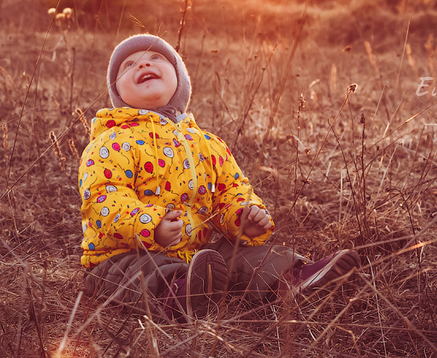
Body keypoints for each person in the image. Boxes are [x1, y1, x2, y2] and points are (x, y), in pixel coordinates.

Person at [78, 34, 360, 321]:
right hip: (121, 254)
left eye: (155, 58)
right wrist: (151, 225)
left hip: (196, 255)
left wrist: (242, 216)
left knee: (241, 254)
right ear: (118, 93)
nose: (143, 64)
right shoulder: (111, 142)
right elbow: (103, 198)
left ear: (179, 79)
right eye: (129, 65)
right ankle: (178, 296)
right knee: (139, 272)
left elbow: (230, 189)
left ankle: (293, 278)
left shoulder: (206, 143)